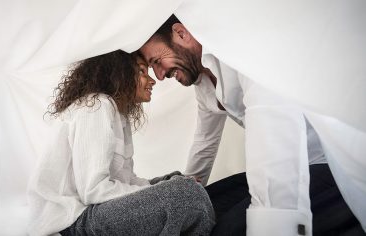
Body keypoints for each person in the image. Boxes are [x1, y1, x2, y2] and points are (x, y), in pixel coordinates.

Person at [140, 15, 363, 236]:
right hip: (295, 160)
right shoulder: (203, 85)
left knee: (231, 229)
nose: (159, 76)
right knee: (207, 203)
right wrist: (187, 193)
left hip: (327, 160)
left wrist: (272, 218)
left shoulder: (241, 51)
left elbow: (274, 135)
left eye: (157, 62)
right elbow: (205, 142)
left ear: (181, 33)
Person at [27, 50, 215, 236]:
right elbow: (93, 191)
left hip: (93, 210)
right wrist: (169, 189)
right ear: (119, 73)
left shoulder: (119, 113)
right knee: (186, 194)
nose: (152, 81)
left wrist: (167, 183)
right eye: (142, 71)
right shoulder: (97, 106)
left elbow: (127, 181)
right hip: (72, 221)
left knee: (180, 182)